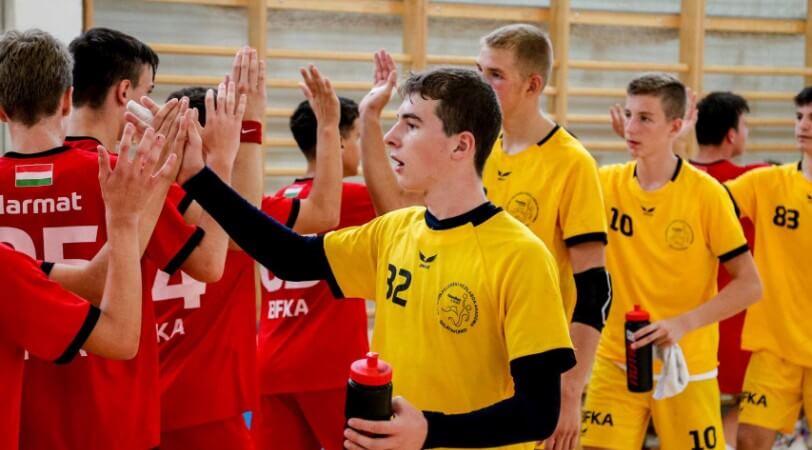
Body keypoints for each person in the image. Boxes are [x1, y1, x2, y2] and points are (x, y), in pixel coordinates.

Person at [176, 66, 575, 449]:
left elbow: (538, 412)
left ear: (461, 145)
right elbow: (290, 257)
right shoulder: (394, 230)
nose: (391, 137)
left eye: (411, 125)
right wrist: (198, 177)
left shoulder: (521, 255)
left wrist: (430, 431)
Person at [359, 26, 611, 448]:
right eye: (478, 70)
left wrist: (569, 390)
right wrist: (370, 119)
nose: (481, 82)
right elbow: (396, 213)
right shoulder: (472, 149)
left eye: (495, 75)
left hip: (528, 375)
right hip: (462, 363)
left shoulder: (571, 162)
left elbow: (595, 289)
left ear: (533, 85)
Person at [581, 73, 762, 450]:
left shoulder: (707, 194)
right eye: (628, 115)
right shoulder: (605, 183)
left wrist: (683, 323)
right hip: (616, 359)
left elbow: (750, 285)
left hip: (687, 366)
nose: (631, 127)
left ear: (676, 127)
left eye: (645, 118)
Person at [251, 96, 376, 450]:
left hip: (272, 364)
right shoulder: (348, 199)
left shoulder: (280, 197)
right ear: (338, 141)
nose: (359, 148)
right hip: (327, 365)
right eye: (357, 137)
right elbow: (404, 200)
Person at [729, 87, 812, 450]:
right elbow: (703, 203)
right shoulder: (767, 183)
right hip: (774, 347)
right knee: (749, 440)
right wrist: (670, 143)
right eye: (799, 117)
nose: (803, 126)